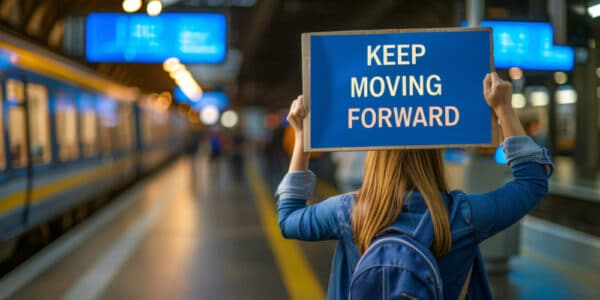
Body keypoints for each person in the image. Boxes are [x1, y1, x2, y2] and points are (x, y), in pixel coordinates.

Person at [275, 72, 553, 300]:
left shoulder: (348, 213)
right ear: (433, 156)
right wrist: (504, 109)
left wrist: (302, 139)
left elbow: (288, 219)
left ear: (375, 157)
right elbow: (532, 182)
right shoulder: (461, 216)